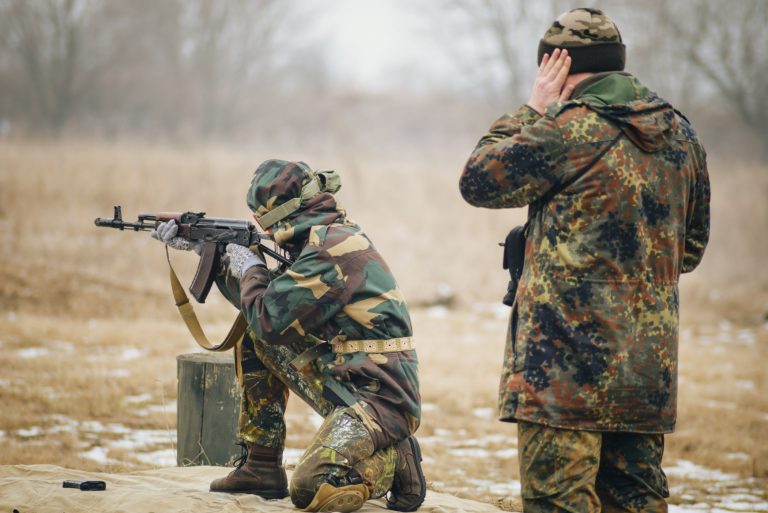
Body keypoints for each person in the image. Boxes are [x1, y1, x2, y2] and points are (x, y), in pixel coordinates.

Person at [459, 8, 709, 513]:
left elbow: (478, 180)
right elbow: (692, 248)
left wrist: (533, 108)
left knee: (561, 501)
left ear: (556, 64)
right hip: (645, 371)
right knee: (637, 502)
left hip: (563, 371)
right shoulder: (681, 135)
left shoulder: (568, 129)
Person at [152, 159, 425, 512]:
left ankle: (394, 461)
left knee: (313, 488)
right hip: (348, 377)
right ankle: (261, 464)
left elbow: (270, 317)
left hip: (381, 396)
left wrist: (249, 266)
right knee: (255, 336)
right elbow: (263, 314)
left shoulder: (332, 249)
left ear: (280, 214)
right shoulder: (317, 238)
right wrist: (210, 252)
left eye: (261, 217)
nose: (258, 225)